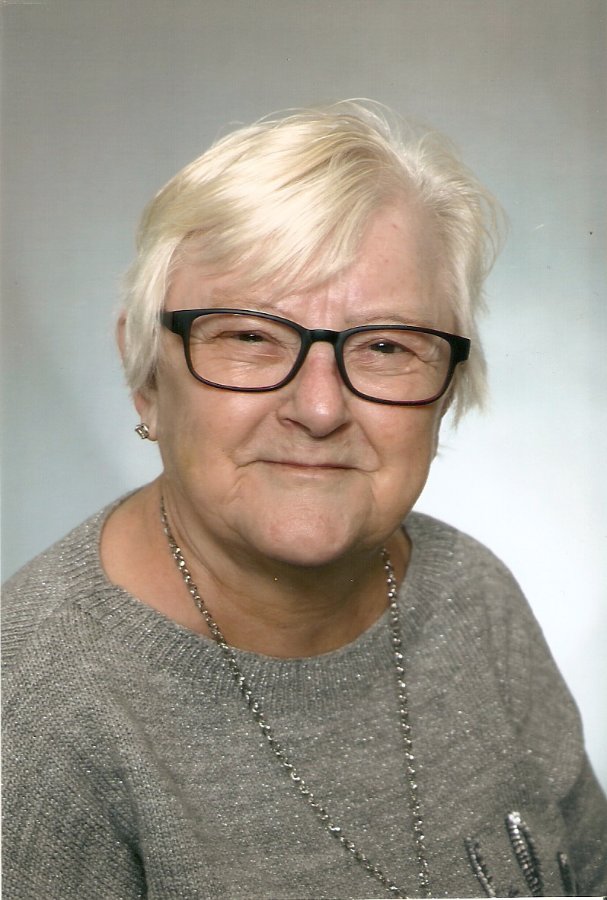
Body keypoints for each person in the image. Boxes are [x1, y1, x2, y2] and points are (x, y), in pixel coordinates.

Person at [3, 101, 606, 900]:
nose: (319, 409)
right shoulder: (38, 709)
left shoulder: (472, 594)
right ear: (146, 372)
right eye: (250, 336)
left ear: (445, 387)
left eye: (386, 345)